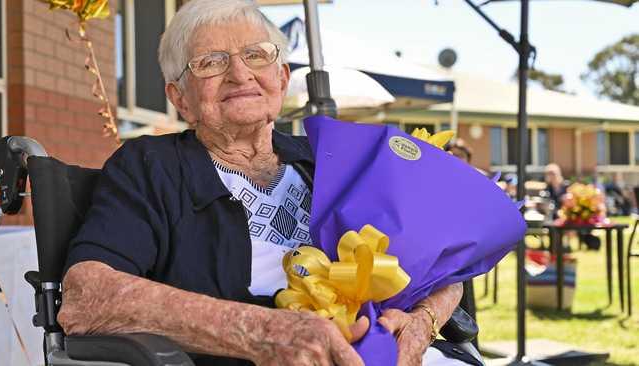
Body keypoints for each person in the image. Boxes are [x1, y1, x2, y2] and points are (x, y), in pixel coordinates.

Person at [57, 1, 472, 366]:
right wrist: (260, 332)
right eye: (210, 62)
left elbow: (443, 260)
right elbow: (85, 296)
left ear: (282, 77)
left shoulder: (330, 156)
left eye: (256, 55)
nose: (240, 74)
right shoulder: (151, 167)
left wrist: (423, 322)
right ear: (180, 97)